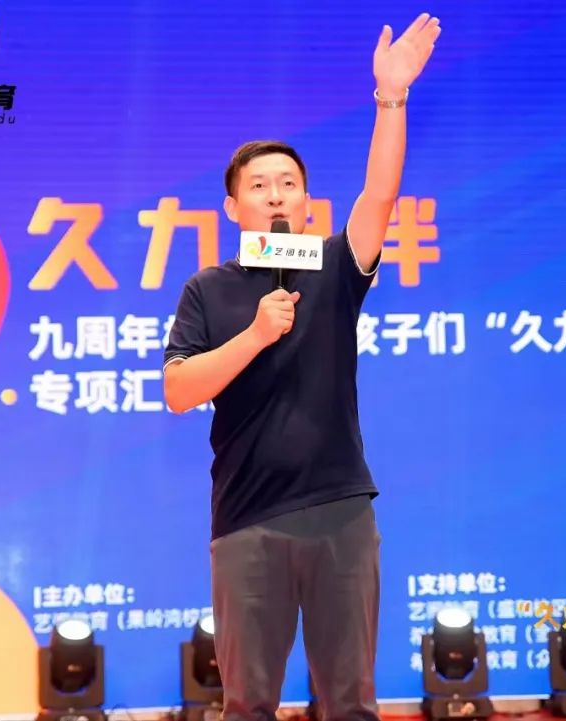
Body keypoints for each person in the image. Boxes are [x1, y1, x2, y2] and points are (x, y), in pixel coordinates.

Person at [163, 14, 441, 721]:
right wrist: (255, 335)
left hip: (341, 511)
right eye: (260, 185)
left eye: (288, 182)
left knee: (350, 702)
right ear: (233, 207)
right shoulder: (208, 289)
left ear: (307, 200)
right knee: (248, 702)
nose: (276, 194)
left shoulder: (334, 267)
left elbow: (380, 197)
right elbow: (178, 389)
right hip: (248, 518)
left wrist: (391, 98)